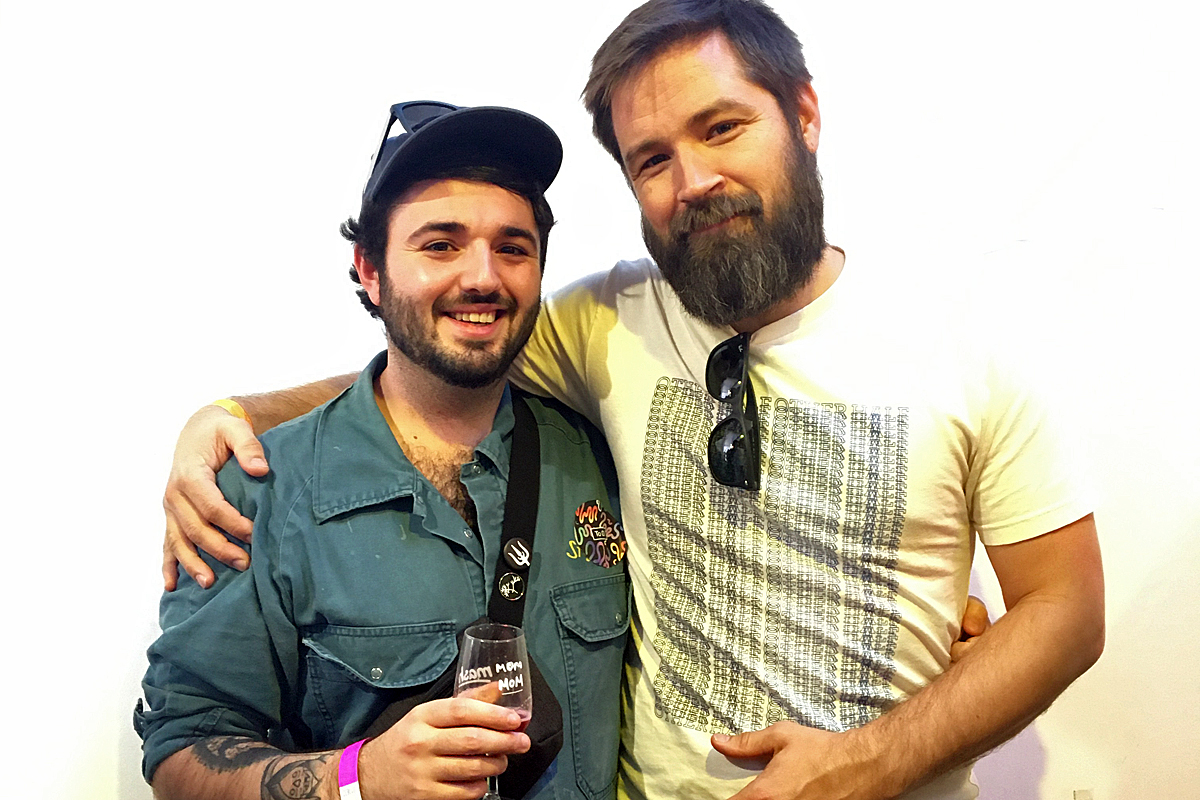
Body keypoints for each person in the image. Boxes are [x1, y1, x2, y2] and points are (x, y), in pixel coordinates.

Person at [160, 1, 1104, 799]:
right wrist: (230, 416)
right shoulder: (608, 326)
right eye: (652, 159)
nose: (694, 181)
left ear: (804, 114)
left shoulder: (966, 348)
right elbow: (446, 353)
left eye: (722, 127)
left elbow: (1064, 607)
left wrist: (871, 760)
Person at [136, 101, 630, 800]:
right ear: (370, 270)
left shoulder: (596, 459)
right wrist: (356, 778)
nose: (483, 277)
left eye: (513, 248)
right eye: (441, 245)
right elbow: (181, 753)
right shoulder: (259, 494)